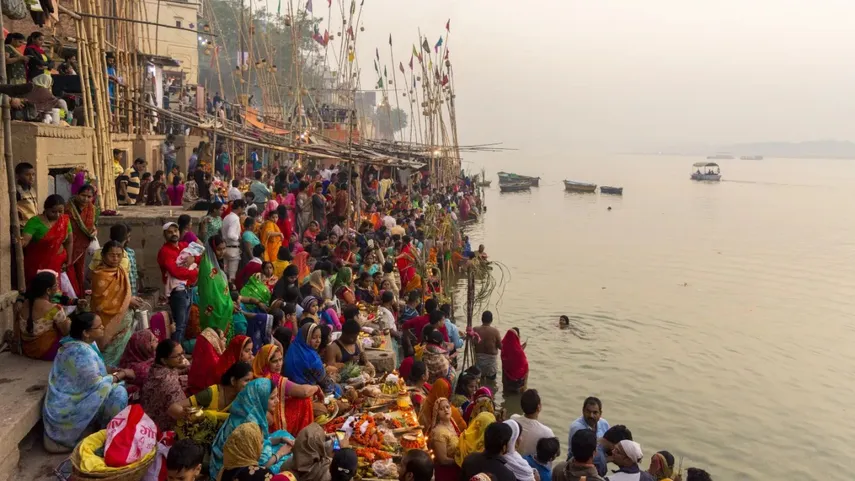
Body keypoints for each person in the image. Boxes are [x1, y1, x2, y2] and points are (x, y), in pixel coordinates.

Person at [42, 312, 129, 453]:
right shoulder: (80, 352)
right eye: (98, 326)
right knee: (118, 393)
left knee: (115, 388)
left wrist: (116, 370)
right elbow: (97, 384)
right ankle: (106, 438)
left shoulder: (85, 344)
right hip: (67, 408)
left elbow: (97, 369)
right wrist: (121, 374)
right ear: (86, 333)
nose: (103, 328)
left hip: (78, 395)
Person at [209, 378, 295, 478]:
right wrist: (280, 454)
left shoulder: (246, 410)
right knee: (290, 461)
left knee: (283, 435)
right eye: (272, 398)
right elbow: (258, 466)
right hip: (237, 470)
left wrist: (281, 439)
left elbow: (261, 441)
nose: (277, 401)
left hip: (241, 458)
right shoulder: (250, 425)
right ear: (259, 399)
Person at [174, 361, 253, 450]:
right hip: (194, 443)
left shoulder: (242, 399)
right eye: (246, 380)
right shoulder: (211, 394)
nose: (250, 385)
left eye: (251, 381)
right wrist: (195, 416)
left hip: (216, 444)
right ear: (233, 381)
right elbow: (174, 407)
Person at [90, 240, 144, 366]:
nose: (115, 258)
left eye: (118, 255)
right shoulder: (99, 275)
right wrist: (128, 301)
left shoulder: (121, 271)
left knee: (123, 346)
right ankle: (104, 370)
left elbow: (124, 292)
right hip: (108, 319)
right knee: (109, 348)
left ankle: (119, 370)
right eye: (111, 255)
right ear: (103, 256)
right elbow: (102, 302)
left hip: (125, 319)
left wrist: (131, 299)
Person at [252, 344, 320, 435]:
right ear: (266, 362)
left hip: (265, 417)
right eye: (274, 361)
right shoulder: (273, 378)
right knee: (304, 401)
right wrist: (317, 388)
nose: (279, 364)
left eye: (280, 360)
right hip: (271, 423)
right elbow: (304, 392)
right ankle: (303, 436)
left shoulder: (256, 374)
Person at [17, 271, 81, 360]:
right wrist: (69, 321)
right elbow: (66, 332)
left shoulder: (24, 303)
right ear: (48, 290)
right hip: (46, 351)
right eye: (56, 285)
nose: (58, 288)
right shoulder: (54, 309)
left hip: (27, 349)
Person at [21, 194, 73, 290]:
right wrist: (20, 242)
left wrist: (69, 260)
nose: (57, 215)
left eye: (60, 211)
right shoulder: (34, 222)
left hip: (57, 262)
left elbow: (69, 241)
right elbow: (25, 241)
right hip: (38, 264)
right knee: (39, 290)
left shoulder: (65, 220)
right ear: (46, 209)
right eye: (53, 211)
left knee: (55, 289)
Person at [217, 423, 294, 481]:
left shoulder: (224, 469)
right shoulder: (262, 474)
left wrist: (281, 439)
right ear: (250, 447)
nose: (263, 446)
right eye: (260, 443)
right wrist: (279, 454)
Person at [142, 339, 189, 432]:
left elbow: (176, 372)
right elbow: (178, 412)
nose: (182, 358)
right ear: (164, 360)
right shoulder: (166, 381)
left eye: (182, 353)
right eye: (178, 356)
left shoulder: (157, 368)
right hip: (162, 428)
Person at [285, 322, 340, 397]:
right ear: (306, 337)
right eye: (314, 338)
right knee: (340, 389)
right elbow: (324, 382)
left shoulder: (293, 346)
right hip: (308, 392)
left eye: (320, 337)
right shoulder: (312, 358)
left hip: (290, 389)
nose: (318, 341)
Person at [198, 234, 236, 337]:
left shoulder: (217, 262)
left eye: (224, 249)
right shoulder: (207, 265)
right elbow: (210, 291)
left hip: (224, 305)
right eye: (219, 249)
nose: (222, 252)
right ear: (213, 249)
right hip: (214, 307)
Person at [66, 185, 97, 291]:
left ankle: (79, 295)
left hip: (82, 243)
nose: (86, 199)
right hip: (68, 242)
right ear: (77, 194)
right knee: (68, 268)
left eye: (89, 196)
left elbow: (92, 224)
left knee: (80, 270)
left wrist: (94, 231)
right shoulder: (69, 208)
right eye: (83, 195)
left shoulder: (92, 209)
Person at [426, 398, 462, 481]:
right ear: (437, 413)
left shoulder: (452, 422)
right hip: (446, 473)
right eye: (441, 409)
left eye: (447, 407)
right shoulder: (439, 432)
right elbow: (443, 460)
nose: (446, 410)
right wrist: (461, 461)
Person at [512, 389, 556, 457]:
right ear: (538, 407)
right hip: (532, 466)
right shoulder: (547, 433)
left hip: (514, 460)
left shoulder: (513, 419)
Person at [117, 329, 157, 401]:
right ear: (146, 345)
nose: (157, 339)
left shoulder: (147, 357)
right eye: (153, 340)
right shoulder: (140, 369)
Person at [187, 328, 226, 394]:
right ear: (215, 342)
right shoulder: (216, 363)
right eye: (222, 338)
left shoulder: (198, 357)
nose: (225, 339)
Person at [473, 311, 501, 381]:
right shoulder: (495, 331)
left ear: (482, 319)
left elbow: (471, 342)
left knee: (479, 381)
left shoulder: (475, 329)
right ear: (491, 320)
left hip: (479, 362)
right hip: (491, 365)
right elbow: (501, 347)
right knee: (491, 383)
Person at [501, 328, 528, 393]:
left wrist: (520, 349)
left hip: (507, 382)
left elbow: (511, 358)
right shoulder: (519, 352)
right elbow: (525, 366)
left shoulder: (504, 350)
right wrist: (521, 350)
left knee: (506, 395)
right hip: (519, 383)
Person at [223, 200, 246, 281]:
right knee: (232, 275)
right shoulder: (235, 218)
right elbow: (231, 234)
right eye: (243, 208)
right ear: (239, 208)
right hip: (233, 249)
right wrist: (238, 237)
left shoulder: (227, 217)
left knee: (225, 273)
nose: (243, 211)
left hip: (225, 248)